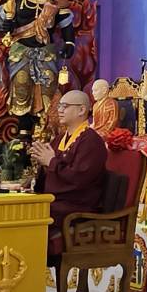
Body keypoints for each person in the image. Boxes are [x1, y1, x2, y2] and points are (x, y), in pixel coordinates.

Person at [31, 91, 107, 244]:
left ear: (81, 110)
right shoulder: (59, 139)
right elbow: (50, 170)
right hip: (56, 201)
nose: (59, 110)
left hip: (77, 206)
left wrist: (51, 162)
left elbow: (79, 179)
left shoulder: (91, 141)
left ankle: (33, 256)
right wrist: (41, 166)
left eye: (64, 106)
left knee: (32, 212)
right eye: (59, 106)